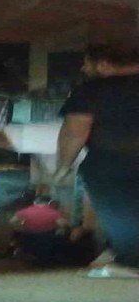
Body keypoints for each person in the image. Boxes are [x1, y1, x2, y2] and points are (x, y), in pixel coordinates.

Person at [52, 42, 139, 278]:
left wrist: (63, 167)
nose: (83, 68)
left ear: (103, 64)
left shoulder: (92, 91)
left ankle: (132, 263)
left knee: (121, 213)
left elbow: (75, 132)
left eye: (86, 63)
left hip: (112, 164)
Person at [9, 195, 67, 264]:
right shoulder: (54, 212)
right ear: (49, 203)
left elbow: (12, 222)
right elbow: (63, 224)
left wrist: (21, 227)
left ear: (34, 202)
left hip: (28, 237)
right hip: (47, 238)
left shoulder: (25, 211)